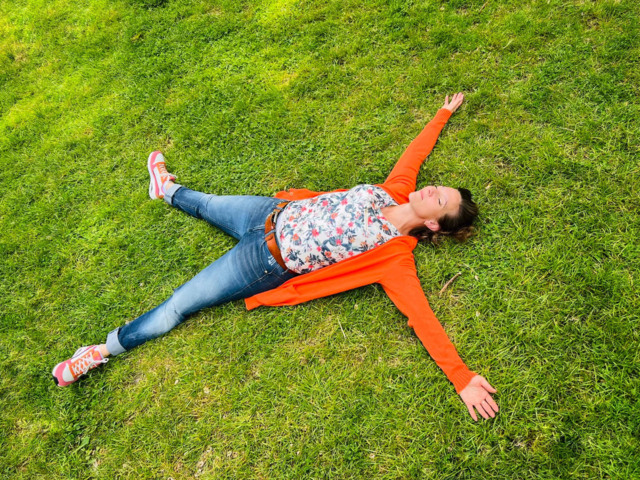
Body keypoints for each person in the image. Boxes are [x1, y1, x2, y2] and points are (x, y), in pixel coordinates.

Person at [52, 93, 499, 421]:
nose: (432, 190)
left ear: (434, 225)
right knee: (207, 203)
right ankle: (166, 190)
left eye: (440, 200)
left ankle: (99, 350)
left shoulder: (394, 258)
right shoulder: (395, 190)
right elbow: (414, 155)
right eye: (439, 188)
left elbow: (422, 317)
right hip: (268, 212)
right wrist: (442, 115)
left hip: (262, 261)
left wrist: (461, 377)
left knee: (179, 305)